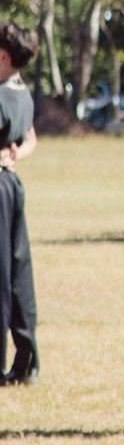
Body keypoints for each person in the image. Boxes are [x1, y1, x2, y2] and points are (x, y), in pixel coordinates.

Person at [0, 22, 40, 386]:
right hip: (11, 183)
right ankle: (27, 359)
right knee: (18, 270)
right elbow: (30, 140)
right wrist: (13, 155)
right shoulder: (22, 93)